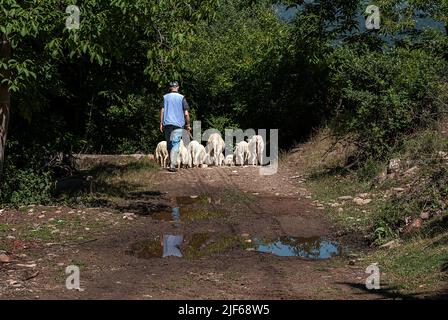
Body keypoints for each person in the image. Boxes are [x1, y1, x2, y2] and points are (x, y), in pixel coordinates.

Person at [160, 81, 191, 172]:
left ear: (170, 88)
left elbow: (162, 110)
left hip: (167, 123)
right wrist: (188, 124)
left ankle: (171, 162)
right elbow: (186, 113)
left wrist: (161, 123)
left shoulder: (165, 97)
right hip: (178, 124)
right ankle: (173, 164)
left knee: (169, 143)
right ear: (178, 87)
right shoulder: (182, 98)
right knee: (176, 143)